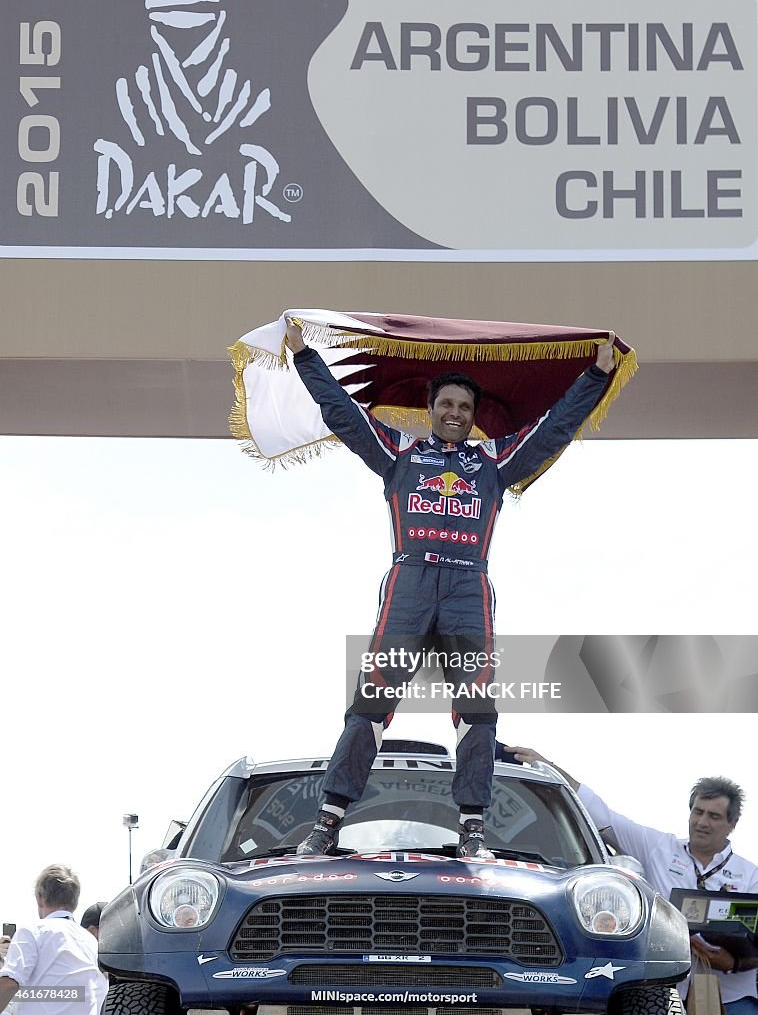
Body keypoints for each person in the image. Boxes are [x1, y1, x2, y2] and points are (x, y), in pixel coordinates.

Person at [285, 319, 616, 859]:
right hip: (409, 583)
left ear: (472, 415)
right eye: (446, 405)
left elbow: (555, 428)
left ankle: (472, 831)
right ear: (432, 408)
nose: (454, 414)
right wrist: (304, 358)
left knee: (478, 711)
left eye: (464, 407)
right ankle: (327, 822)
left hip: (467, 586)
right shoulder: (399, 452)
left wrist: (595, 377)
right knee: (371, 702)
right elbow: (343, 415)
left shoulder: (494, 461)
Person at [510, 747, 758, 1015]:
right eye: (698, 812)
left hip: (732, 997)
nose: (702, 822)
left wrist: (732, 962)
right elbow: (603, 816)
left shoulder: (750, 875)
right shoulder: (659, 848)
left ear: (732, 823)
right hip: (663, 993)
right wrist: (551, 767)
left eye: (714, 816)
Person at [0, 865, 103, 1015]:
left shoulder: (32, 932)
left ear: (40, 898)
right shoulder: (91, 941)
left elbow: (9, 984)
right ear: (74, 901)